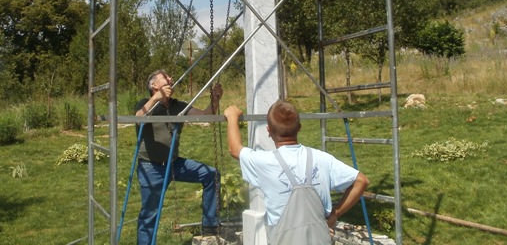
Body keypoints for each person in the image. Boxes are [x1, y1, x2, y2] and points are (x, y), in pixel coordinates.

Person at [224, 100, 369, 243]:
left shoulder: (265, 161)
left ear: (268, 130)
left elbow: (235, 149)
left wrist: (232, 117)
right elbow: (361, 181)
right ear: (299, 127)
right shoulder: (322, 158)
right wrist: (334, 215)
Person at [134, 70, 223, 243]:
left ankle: (210, 225)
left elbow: (206, 116)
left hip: (175, 164)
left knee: (211, 174)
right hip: (151, 167)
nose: (171, 79)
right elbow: (138, 119)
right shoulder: (145, 103)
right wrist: (156, 98)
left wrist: (215, 99)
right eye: (165, 78)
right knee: (150, 213)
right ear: (154, 85)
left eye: (170, 77)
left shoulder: (177, 105)